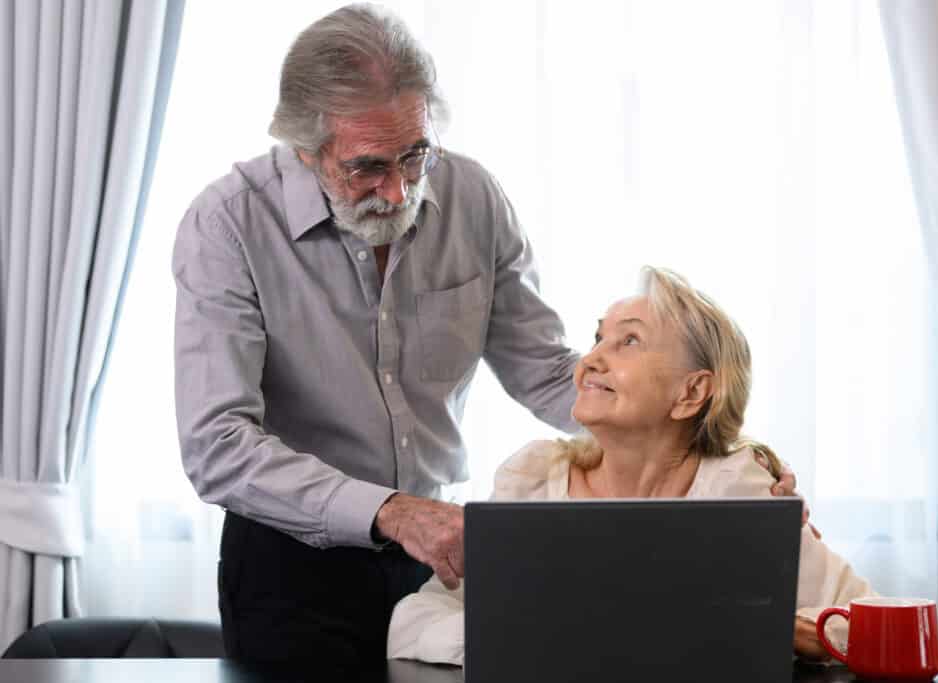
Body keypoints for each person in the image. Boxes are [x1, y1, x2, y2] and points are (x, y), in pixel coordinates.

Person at [172, 4, 798, 667]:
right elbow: (217, 445)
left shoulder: (471, 198)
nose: (398, 187)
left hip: (435, 556)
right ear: (303, 147)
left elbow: (551, 372)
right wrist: (389, 509)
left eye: (414, 153)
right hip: (290, 568)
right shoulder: (228, 225)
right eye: (367, 167)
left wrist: (722, 456)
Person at [387, 266, 877, 665]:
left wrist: (774, 629)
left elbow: (868, 623)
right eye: (598, 338)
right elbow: (413, 624)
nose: (589, 360)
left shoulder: (741, 492)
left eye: (629, 342)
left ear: (691, 393)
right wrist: (539, 639)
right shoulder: (535, 482)